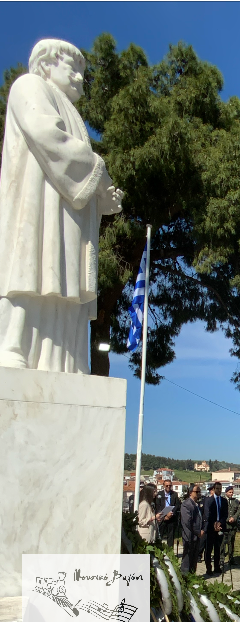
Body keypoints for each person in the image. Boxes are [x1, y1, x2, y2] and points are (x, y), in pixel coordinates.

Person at [0, 39, 124, 372]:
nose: (82, 78)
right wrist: (99, 173)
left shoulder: (73, 113)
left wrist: (102, 200)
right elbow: (48, 137)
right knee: (31, 267)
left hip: (68, 215)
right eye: (74, 69)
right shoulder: (29, 86)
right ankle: (14, 344)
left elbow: (81, 175)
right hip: (37, 206)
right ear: (48, 63)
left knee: (63, 280)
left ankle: (65, 359)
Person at [202, 481, 228, 575]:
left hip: (220, 527)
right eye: (217, 489)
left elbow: (225, 514)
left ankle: (217, 566)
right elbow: (207, 514)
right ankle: (208, 567)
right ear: (213, 489)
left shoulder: (224, 501)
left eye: (220, 489)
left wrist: (220, 523)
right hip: (210, 528)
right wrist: (213, 524)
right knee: (209, 549)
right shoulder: (208, 500)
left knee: (218, 548)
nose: (219, 491)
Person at [180, 483, 202, 574]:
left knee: (194, 559)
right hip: (189, 535)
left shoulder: (196, 504)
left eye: (199, 492)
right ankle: (185, 578)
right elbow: (187, 521)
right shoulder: (186, 504)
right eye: (196, 492)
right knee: (187, 559)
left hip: (196, 536)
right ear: (190, 493)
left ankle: (192, 577)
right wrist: (197, 532)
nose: (198, 493)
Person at [155, 480, 180, 549]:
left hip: (171, 517)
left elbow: (177, 505)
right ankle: (159, 550)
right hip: (162, 518)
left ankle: (170, 551)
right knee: (160, 535)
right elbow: (158, 506)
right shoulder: (159, 495)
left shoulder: (174, 494)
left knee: (171, 536)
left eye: (170, 485)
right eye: (167, 485)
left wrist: (171, 513)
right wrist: (164, 515)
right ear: (163, 486)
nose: (168, 487)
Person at [224, 486, 240, 564]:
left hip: (233, 525)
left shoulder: (235, 501)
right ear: (226, 492)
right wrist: (227, 519)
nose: (231, 494)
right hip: (225, 525)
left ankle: (231, 558)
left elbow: (239, 510)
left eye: (232, 492)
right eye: (230, 492)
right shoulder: (223, 500)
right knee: (223, 542)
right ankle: (221, 558)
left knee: (231, 542)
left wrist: (234, 518)